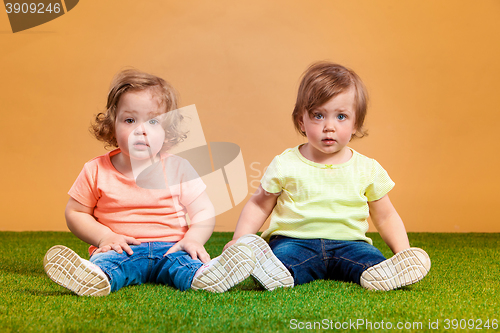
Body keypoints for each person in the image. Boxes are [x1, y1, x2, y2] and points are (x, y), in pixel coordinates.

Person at [43, 69, 256, 296]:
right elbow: (75, 213)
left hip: (172, 247)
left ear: (167, 130)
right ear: (112, 124)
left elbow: (203, 209)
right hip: (122, 248)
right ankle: (93, 276)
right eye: (130, 120)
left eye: (153, 121)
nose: (141, 130)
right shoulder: (95, 170)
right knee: (110, 264)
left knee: (186, 264)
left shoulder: (179, 168)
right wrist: (104, 237)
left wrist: (193, 239)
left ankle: (207, 275)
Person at [225, 62, 431, 291]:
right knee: (284, 259)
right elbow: (259, 205)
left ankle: (386, 272)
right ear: (301, 121)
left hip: (350, 244)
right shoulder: (285, 163)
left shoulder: (368, 168)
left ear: (356, 124)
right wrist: (239, 240)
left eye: (341, 116)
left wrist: (402, 251)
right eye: (318, 116)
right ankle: (273, 272)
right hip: (294, 242)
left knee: (369, 260)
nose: (329, 126)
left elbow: (385, 216)